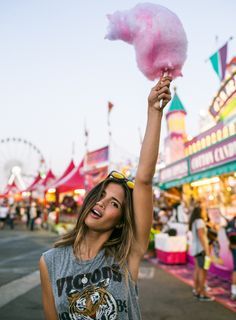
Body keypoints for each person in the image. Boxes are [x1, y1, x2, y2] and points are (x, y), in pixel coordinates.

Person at [39, 76, 172, 320]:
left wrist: (154, 111)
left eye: (114, 203)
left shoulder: (127, 255)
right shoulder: (50, 262)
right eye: (101, 195)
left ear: (121, 220)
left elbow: (143, 180)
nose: (101, 202)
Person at [189, 204, 215, 302]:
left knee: (197, 269)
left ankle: (196, 290)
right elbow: (202, 236)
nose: (205, 211)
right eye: (204, 210)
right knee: (203, 271)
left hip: (196, 249)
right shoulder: (200, 221)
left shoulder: (195, 221)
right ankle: (201, 293)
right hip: (201, 249)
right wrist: (207, 250)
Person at [225, 215, 236, 301]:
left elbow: (228, 233)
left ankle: (234, 292)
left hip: (233, 246)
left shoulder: (231, 221)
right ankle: (234, 292)